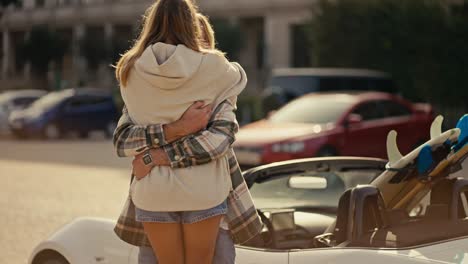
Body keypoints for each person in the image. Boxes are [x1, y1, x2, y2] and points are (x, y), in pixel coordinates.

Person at [113, 1, 262, 263]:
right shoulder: (212, 65)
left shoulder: (129, 68)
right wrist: (184, 124)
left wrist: (155, 154)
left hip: (153, 188)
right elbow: (239, 78)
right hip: (203, 188)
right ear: (190, 23)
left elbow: (125, 135)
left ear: (152, 22)